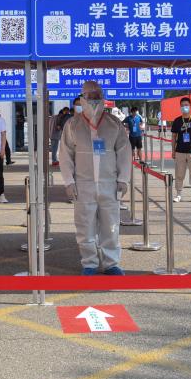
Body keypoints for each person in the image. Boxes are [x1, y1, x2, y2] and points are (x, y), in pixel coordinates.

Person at [59, 81, 132, 275]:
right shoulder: (73, 125)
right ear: (82, 97)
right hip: (83, 185)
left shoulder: (113, 123)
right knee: (85, 225)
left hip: (110, 184)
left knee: (111, 225)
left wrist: (123, 179)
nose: (93, 97)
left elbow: (124, 152)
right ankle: (89, 262)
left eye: (97, 94)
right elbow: (65, 155)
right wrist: (69, 181)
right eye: (89, 94)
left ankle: (111, 263)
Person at [170, 97, 191, 202]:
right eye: (182, 105)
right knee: (179, 174)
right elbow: (174, 136)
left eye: (186, 105)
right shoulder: (177, 121)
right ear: (180, 107)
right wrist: (173, 150)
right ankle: (178, 194)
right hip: (180, 151)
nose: (184, 107)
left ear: (190, 106)